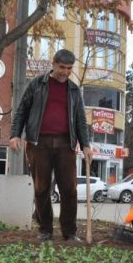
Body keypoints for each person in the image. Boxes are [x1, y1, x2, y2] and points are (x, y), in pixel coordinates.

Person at [9, 48, 93, 242]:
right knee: (41, 188)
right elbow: (22, 110)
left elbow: (80, 119)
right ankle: (45, 229)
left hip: (66, 144)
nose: (65, 72)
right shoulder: (37, 84)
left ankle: (69, 232)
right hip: (39, 143)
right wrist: (15, 134)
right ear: (53, 64)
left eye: (69, 68)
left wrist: (86, 145)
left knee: (69, 190)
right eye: (62, 67)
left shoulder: (73, 90)